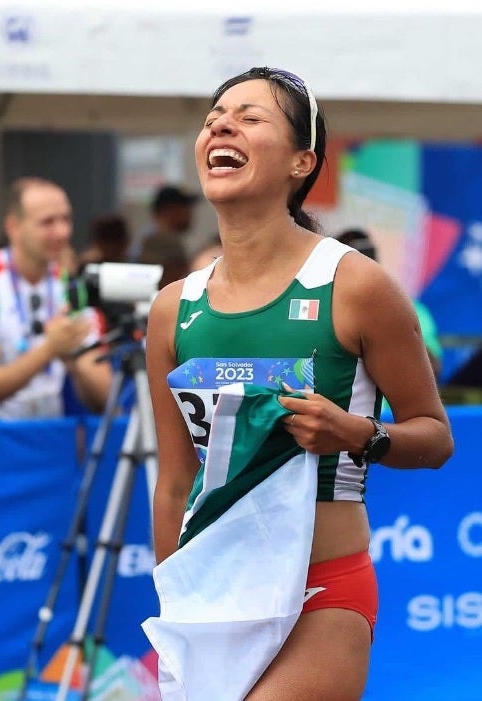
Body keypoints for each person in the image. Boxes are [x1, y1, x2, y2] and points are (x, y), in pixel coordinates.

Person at [142, 67, 453, 701]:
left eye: (251, 118)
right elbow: (174, 480)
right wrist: (175, 598)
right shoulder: (173, 309)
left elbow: (435, 437)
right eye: (213, 118)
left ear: (302, 160)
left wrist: (360, 435)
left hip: (323, 590)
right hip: (211, 594)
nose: (221, 125)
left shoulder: (356, 284)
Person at [0, 176, 112, 420]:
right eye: (47, 222)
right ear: (14, 227)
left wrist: (74, 357)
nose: (62, 232)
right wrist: (50, 349)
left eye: (66, 219)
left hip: (45, 438)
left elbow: (103, 397)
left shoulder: (70, 286)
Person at [333, 227, 443, 378]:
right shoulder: (321, 307)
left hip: (391, 402)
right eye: (346, 256)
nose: (355, 265)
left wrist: (391, 315)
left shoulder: (406, 306)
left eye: (363, 255)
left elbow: (433, 368)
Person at [137, 185, 198, 289]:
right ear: (170, 210)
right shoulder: (160, 240)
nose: (190, 213)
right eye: (185, 207)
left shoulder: (155, 236)